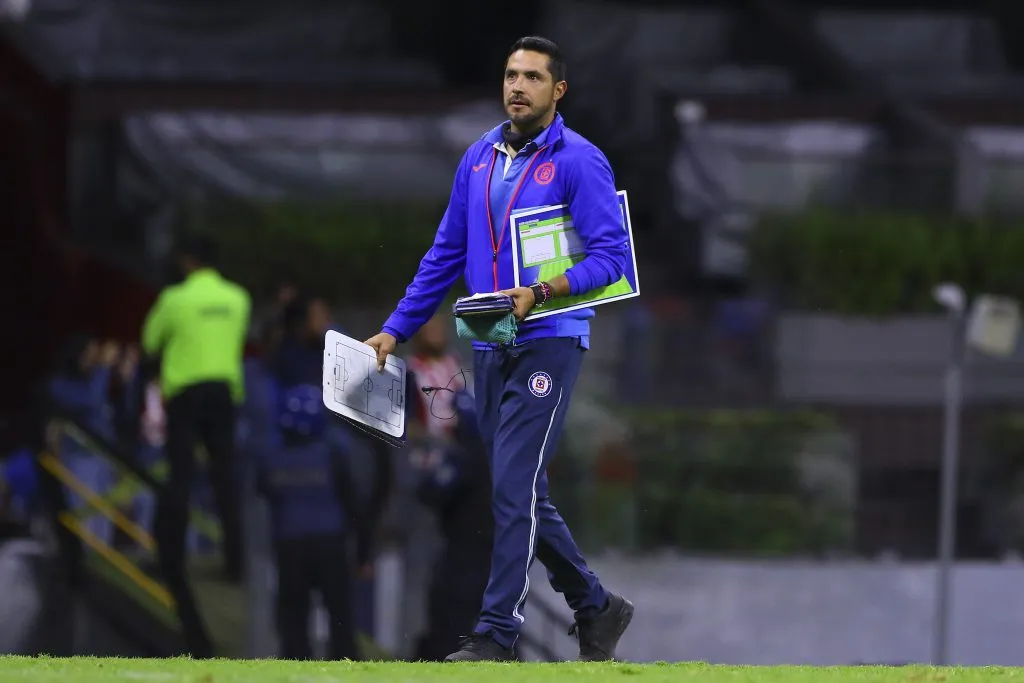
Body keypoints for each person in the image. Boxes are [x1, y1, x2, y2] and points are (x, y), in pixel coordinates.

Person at [364, 36, 633, 662]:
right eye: (511, 74)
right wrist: (395, 328)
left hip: (548, 341)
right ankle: (596, 606)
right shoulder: (479, 157)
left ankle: (497, 635)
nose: (518, 86)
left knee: (512, 489)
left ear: (557, 90)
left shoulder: (580, 161)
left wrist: (541, 291)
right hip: (489, 342)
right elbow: (445, 255)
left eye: (533, 77)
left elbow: (612, 259)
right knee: (521, 491)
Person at [140, 235, 251, 655]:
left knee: (181, 475)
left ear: (188, 260)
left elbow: (150, 341)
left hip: (186, 392)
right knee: (225, 478)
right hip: (224, 391)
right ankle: (235, 559)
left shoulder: (174, 298)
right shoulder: (237, 298)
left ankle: (170, 554)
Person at [253, 384, 371, 661]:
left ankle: (295, 666)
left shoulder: (271, 459)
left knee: (292, 616)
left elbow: (265, 494)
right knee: (339, 614)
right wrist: (363, 552)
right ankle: (347, 665)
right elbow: (354, 504)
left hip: (289, 544)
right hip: (330, 544)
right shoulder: (333, 455)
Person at [413, 387, 496, 661]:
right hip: (494, 553)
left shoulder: (465, 458)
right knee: (495, 625)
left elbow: (431, 491)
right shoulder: (497, 455)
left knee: (451, 624)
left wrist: (427, 468)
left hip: (466, 554)